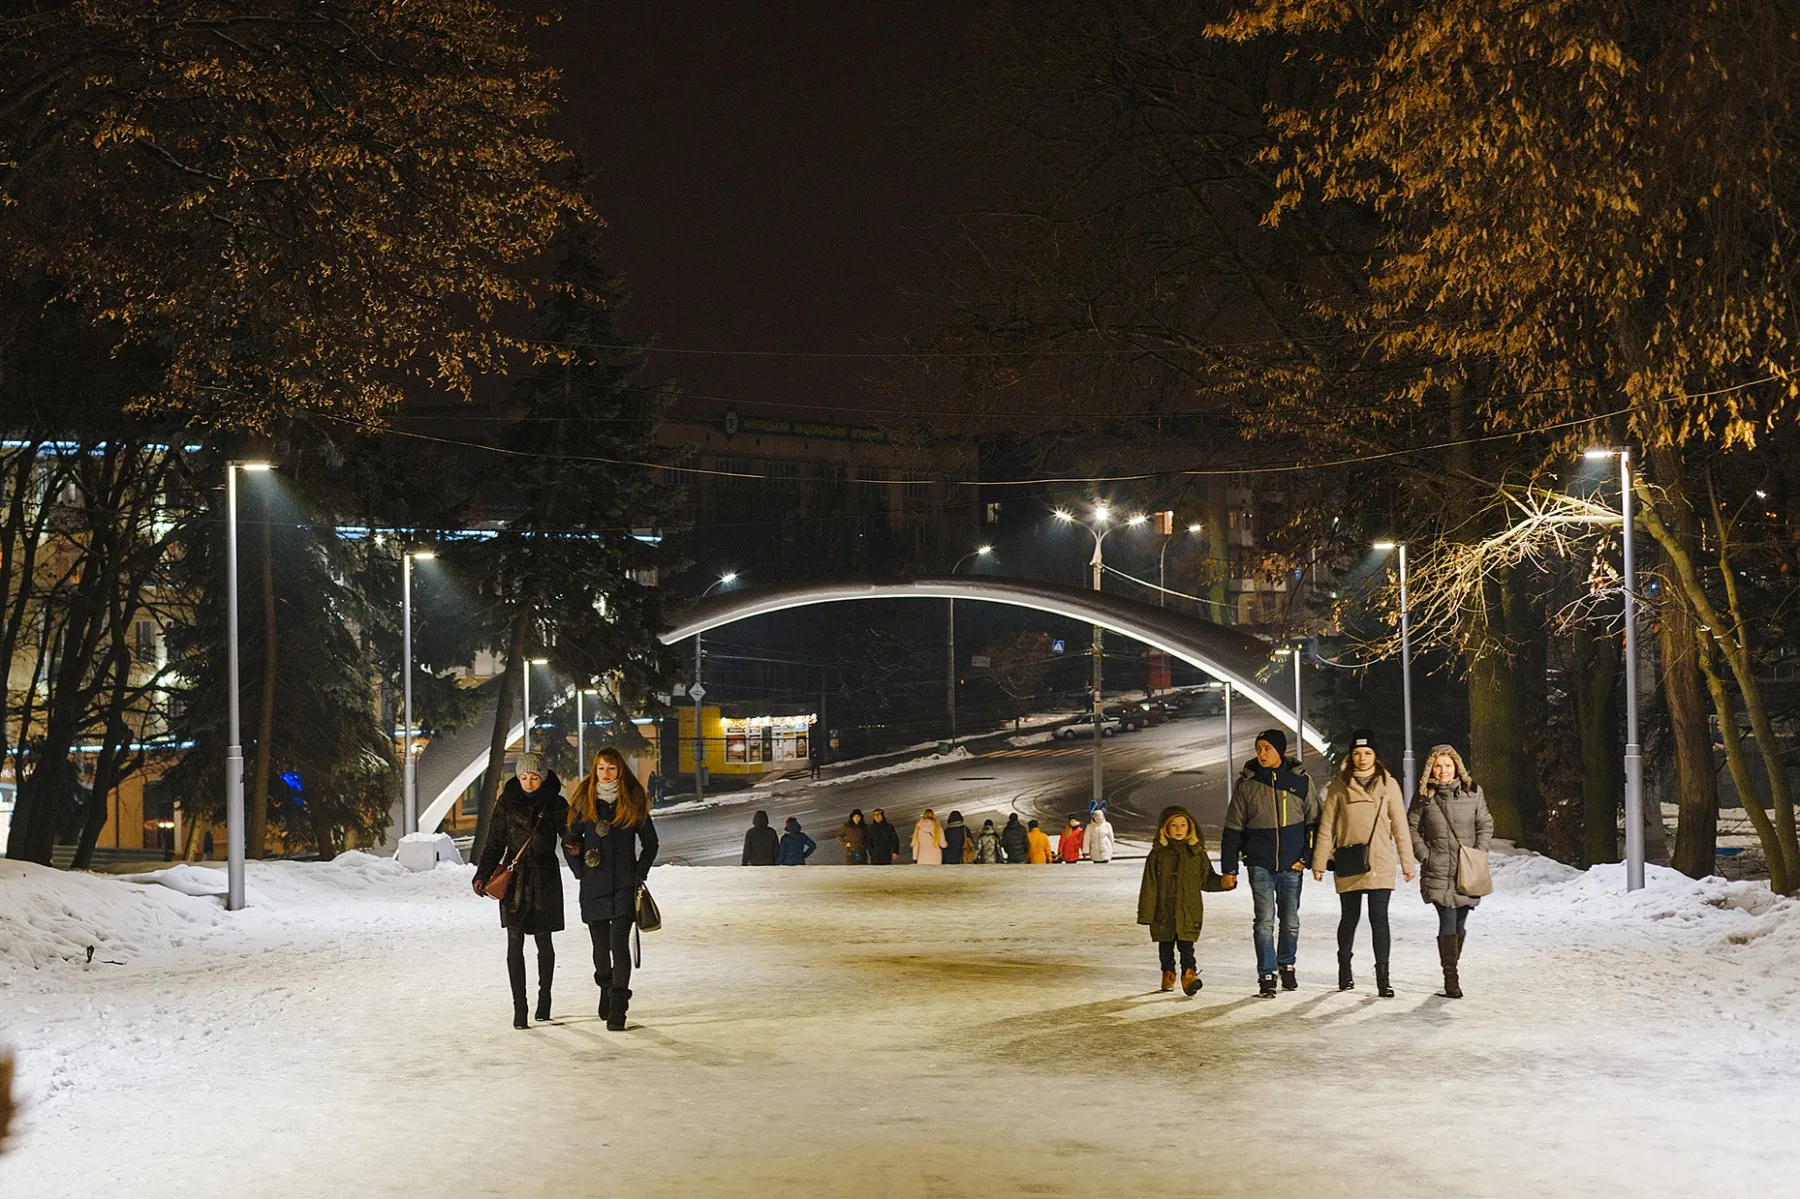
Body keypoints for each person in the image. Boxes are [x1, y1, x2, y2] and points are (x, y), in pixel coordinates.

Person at [1311, 729, 1415, 997]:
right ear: (1351, 755)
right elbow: (1326, 826)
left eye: (1367, 753)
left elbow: (1400, 827)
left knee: (1379, 919)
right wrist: (1319, 861)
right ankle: (1344, 969)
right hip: (1349, 862)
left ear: (1375, 755)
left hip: (1380, 861)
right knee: (1349, 918)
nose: (1362, 758)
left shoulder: (1388, 785)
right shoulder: (1339, 786)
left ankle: (1383, 978)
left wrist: (1407, 863)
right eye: (1357, 753)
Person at [563, 748, 658, 1031]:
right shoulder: (583, 801)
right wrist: (581, 870)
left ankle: (619, 1006)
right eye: (602, 768)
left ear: (620, 771)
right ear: (595, 770)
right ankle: (605, 985)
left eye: (612, 769)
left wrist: (638, 872)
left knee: (619, 944)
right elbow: (569, 842)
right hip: (594, 886)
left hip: (624, 886)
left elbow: (651, 843)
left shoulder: (633, 801)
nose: (606, 774)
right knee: (601, 949)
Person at [1219, 728, 1318, 998]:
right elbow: (1233, 830)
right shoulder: (1247, 785)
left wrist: (1305, 859)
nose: (1262, 753)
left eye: (1267, 748)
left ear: (1280, 751)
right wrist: (1229, 868)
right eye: (1258, 748)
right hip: (1260, 865)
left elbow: (1314, 824)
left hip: (1291, 866)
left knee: (1290, 921)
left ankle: (1287, 964)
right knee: (1263, 921)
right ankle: (1267, 973)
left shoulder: (1301, 782)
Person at [473, 752, 566, 1029]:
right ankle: (520, 1008)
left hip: (545, 878)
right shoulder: (507, 802)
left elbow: (571, 836)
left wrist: (581, 857)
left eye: (534, 777)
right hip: (515, 880)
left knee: (544, 941)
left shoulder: (556, 804)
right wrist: (482, 874)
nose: (528, 782)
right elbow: (494, 843)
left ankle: (544, 1000)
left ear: (543, 777)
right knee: (514, 943)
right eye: (524, 776)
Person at [1408, 744, 1494, 1000]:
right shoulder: (1424, 796)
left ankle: (1450, 965)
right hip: (1438, 869)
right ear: (1430, 769)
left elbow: (1485, 823)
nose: (1443, 770)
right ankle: (1451, 978)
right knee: (1447, 919)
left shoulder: (1473, 792)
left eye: (1447, 765)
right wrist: (1425, 855)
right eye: (1438, 766)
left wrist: (1479, 852)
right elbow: (1411, 828)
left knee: (1460, 924)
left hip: (1467, 870)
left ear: (1456, 766)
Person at [1137, 804, 1231, 994]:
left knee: (1187, 947)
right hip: (1163, 911)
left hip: (1188, 910)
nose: (1179, 829)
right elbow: (1149, 885)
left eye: (1182, 825)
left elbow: (1206, 879)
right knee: (1166, 946)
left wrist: (1222, 882)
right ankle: (1168, 973)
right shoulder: (1157, 855)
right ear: (1165, 828)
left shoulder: (1196, 853)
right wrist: (1147, 913)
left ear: (1190, 827)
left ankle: (1189, 976)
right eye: (1174, 825)